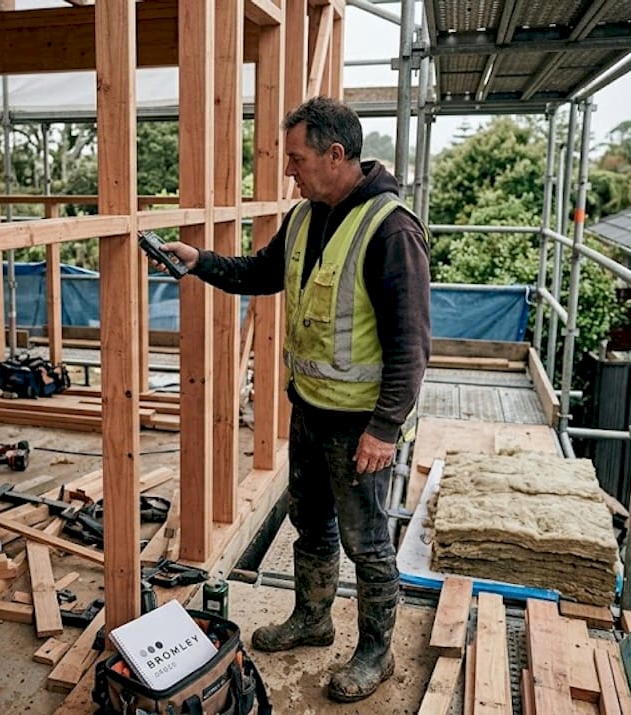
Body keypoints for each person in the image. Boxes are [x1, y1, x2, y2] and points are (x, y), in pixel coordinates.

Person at [153, 96, 431, 702]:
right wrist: (200, 262)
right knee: (311, 523)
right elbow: (262, 272)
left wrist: (384, 429)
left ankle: (377, 653)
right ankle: (312, 618)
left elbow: (411, 345)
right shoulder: (306, 216)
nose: (288, 170)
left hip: (360, 425)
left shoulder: (391, 229)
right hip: (309, 408)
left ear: (336, 155)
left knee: (367, 543)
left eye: (297, 158)